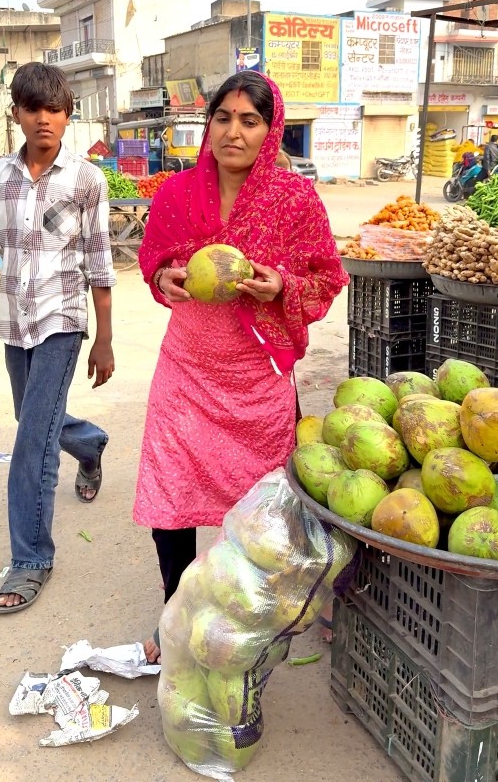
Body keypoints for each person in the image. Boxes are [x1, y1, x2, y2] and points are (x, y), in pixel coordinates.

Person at [135, 70, 348, 662]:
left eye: (249, 121)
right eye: (223, 118)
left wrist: (280, 285)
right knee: (170, 491)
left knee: (264, 502)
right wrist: (164, 277)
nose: (234, 131)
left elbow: (326, 277)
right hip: (188, 366)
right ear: (208, 126)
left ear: (269, 129)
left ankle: (256, 613)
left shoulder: (294, 199)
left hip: (257, 373)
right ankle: (174, 612)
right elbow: (154, 259)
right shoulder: (176, 194)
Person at [0, 62, 116, 614]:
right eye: (33, 109)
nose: (44, 119)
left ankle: (31, 558)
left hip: (63, 321)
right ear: (17, 115)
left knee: (32, 439)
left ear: (68, 115)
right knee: (29, 415)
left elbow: (100, 262)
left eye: (54, 110)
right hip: (15, 321)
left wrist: (103, 339)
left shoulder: (87, 180)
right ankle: (90, 443)